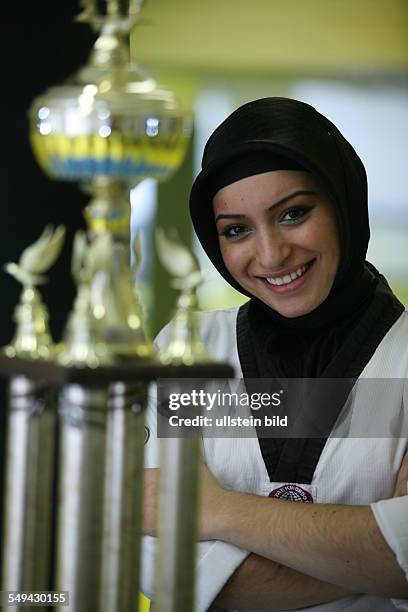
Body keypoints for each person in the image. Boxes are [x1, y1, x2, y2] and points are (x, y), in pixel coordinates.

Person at [142, 97, 408, 611]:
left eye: (293, 213)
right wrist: (376, 559)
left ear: (344, 202)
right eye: (236, 230)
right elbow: (156, 558)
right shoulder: (186, 351)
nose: (270, 255)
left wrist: (213, 511)